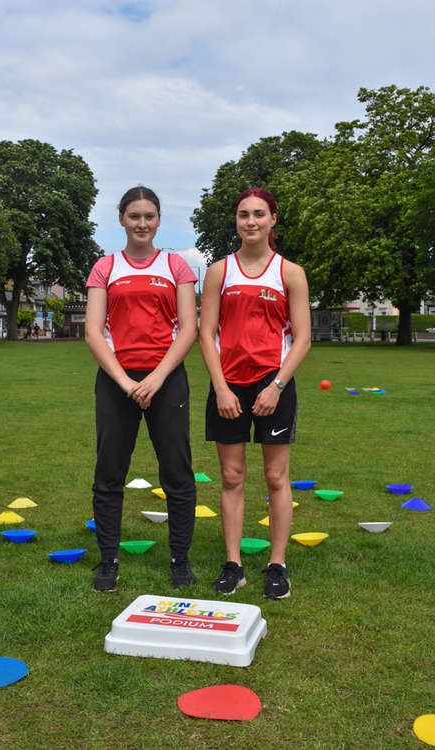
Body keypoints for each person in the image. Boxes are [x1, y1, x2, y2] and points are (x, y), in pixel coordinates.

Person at [199, 187, 311, 599]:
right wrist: (221, 388)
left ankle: (277, 566)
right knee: (231, 476)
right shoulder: (218, 271)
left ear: (273, 220)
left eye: (259, 214)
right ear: (236, 221)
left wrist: (277, 386)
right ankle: (234, 565)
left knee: (277, 477)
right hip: (229, 387)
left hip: (274, 387)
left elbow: (302, 339)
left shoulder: (290, 272)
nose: (251, 221)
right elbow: (206, 334)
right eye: (244, 214)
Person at [85, 186, 198, 592]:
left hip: (166, 380)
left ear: (159, 220)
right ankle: (108, 562)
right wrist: (125, 381)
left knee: (177, 473)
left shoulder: (176, 266)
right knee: (109, 473)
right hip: (117, 380)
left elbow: (189, 328)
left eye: (149, 216)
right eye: (134, 216)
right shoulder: (105, 267)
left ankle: (180, 561)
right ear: (121, 220)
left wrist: (155, 378)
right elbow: (94, 331)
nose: (142, 223)